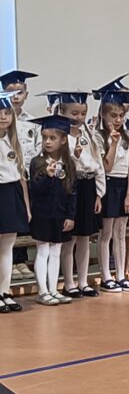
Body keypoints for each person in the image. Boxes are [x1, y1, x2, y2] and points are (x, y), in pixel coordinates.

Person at [55, 92, 105, 299]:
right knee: (70, 239)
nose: (79, 117)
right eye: (74, 113)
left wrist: (99, 194)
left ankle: (83, 281)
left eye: (82, 113)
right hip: (69, 187)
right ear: (62, 112)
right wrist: (73, 158)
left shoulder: (89, 134)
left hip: (88, 186)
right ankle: (68, 282)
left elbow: (98, 164)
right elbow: (59, 166)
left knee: (85, 237)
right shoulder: (59, 136)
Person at [27, 115, 77, 306]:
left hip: (60, 214)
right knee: (43, 251)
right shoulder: (37, 162)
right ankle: (42, 291)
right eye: (45, 137)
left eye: (52, 138)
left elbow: (72, 192)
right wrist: (47, 176)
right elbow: (34, 190)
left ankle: (54, 289)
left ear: (63, 140)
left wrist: (70, 216)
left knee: (56, 251)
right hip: (42, 214)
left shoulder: (69, 163)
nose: (47, 141)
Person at [94, 89, 129, 293]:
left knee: (120, 232)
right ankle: (106, 276)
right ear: (103, 115)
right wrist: (112, 144)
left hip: (124, 186)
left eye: (121, 115)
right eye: (113, 115)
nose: (118, 120)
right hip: (107, 184)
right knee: (106, 233)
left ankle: (121, 274)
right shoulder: (98, 137)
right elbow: (106, 167)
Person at [1, 70, 39, 283]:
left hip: (26, 180)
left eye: (20, 92)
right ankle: (11, 265)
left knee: (20, 225)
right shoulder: (4, 122)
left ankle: (20, 261)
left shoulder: (32, 122)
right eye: (11, 92)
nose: (16, 97)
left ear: (26, 94)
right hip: (5, 184)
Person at [0, 91, 29, 312]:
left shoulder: (13, 141)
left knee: (7, 246)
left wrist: (26, 206)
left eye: (7, 113)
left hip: (12, 194)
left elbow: (21, 177)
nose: (3, 117)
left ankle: (5, 291)